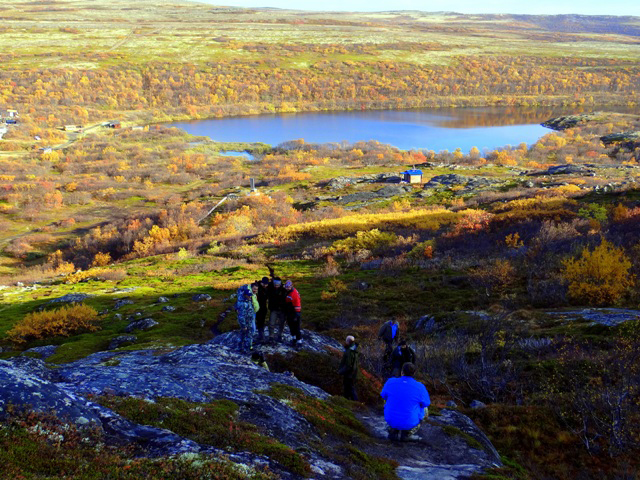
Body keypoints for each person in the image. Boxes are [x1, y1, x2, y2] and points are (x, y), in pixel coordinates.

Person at [380, 362, 430, 441]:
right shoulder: (420, 386)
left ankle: (392, 429)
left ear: (402, 372)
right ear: (414, 373)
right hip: (410, 422)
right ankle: (407, 433)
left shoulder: (390, 382)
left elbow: (383, 395)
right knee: (425, 408)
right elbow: (426, 403)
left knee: (388, 399)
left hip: (391, 420)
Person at [235, 284, 256, 353]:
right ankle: (241, 348)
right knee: (243, 335)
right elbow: (241, 316)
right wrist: (243, 326)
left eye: (250, 295)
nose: (250, 297)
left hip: (249, 321)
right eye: (248, 295)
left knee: (248, 335)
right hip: (245, 322)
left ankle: (247, 348)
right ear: (245, 295)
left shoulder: (248, 301)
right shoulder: (242, 303)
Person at [338, 335, 359, 401]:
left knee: (350, 387)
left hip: (349, 373)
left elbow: (348, 365)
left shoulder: (350, 351)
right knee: (348, 387)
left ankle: (356, 403)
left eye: (346, 340)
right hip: (352, 373)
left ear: (348, 341)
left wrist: (340, 371)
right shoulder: (354, 349)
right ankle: (347, 401)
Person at [267, 277, 287, 342]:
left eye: (277, 285)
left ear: (280, 284)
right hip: (273, 309)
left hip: (282, 309)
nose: (276, 286)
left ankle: (280, 335)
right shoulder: (270, 287)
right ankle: (271, 336)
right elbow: (263, 285)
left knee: (282, 323)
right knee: (271, 323)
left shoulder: (284, 289)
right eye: (275, 285)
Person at [284, 280, 302, 346]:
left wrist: (297, 314)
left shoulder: (294, 294)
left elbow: (297, 304)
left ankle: (299, 341)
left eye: (288, 287)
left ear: (291, 286)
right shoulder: (287, 292)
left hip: (294, 312)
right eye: (286, 287)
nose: (287, 288)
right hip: (289, 311)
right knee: (291, 326)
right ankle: (293, 339)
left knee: (296, 327)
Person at [254, 277, 269, 342]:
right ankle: (260, 332)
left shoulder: (268, 288)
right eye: (264, 284)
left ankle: (261, 332)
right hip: (257, 306)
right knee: (258, 319)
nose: (265, 285)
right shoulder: (258, 287)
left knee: (262, 319)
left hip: (264, 306)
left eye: (266, 284)